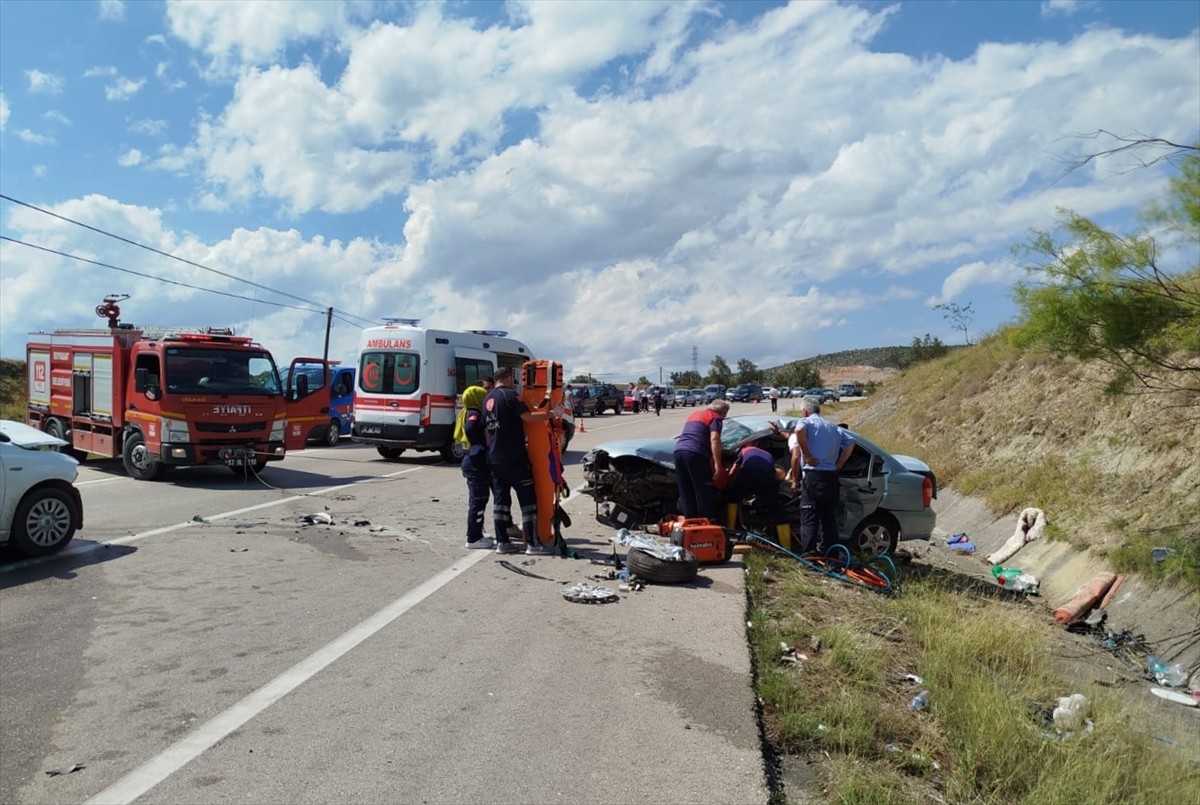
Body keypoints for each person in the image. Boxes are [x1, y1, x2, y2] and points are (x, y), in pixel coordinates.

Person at [483, 366, 563, 555]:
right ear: (509, 379)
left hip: (494, 458)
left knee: (500, 502)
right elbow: (528, 417)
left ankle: (502, 542)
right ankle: (533, 544)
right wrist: (553, 413)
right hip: (514, 458)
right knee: (528, 501)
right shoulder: (511, 396)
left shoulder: (487, 398)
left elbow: (487, 431)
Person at [790, 397, 855, 554]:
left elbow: (798, 431)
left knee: (809, 518)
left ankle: (810, 556)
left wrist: (807, 455)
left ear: (805, 412)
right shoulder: (833, 427)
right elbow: (851, 442)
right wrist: (839, 464)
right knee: (828, 520)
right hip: (832, 479)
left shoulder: (806, 422)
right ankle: (831, 556)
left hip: (814, 478)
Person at [723, 443, 791, 549]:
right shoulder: (767, 454)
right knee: (777, 511)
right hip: (767, 475)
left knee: (733, 498)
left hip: (747, 472)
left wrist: (729, 483)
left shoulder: (743, 451)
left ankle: (731, 530)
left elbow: (733, 471)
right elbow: (775, 473)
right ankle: (786, 548)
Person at [673, 399, 730, 520]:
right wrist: (718, 464)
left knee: (686, 489)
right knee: (703, 489)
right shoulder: (715, 417)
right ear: (723, 413)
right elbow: (714, 438)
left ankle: (690, 523)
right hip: (696, 453)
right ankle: (707, 521)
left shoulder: (695, 414)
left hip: (678, 451)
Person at [454, 385, 493, 549]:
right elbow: (471, 429)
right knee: (478, 500)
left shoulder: (465, 412)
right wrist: (479, 444)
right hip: (474, 461)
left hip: (470, 460)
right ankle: (473, 538)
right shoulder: (474, 414)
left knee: (479, 499)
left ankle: (478, 531)